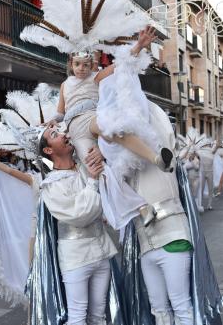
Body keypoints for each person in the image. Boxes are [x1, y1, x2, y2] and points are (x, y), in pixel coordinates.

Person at [45, 29, 172, 226]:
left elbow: (119, 65)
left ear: (92, 64)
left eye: (86, 65)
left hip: (91, 118)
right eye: (77, 64)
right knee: (99, 171)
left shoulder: (95, 77)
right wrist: (52, 121)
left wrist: (138, 45)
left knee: (113, 129)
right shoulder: (64, 85)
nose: (81, 69)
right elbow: (60, 112)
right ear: (71, 63)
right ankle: (141, 208)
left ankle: (156, 158)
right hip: (75, 130)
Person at [39, 128, 118, 325]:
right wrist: (92, 182)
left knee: (99, 316)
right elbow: (79, 216)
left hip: (102, 252)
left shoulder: (85, 166)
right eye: (55, 135)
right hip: (76, 258)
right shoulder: (51, 184)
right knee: (78, 317)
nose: (65, 135)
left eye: (62, 131)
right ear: (48, 151)